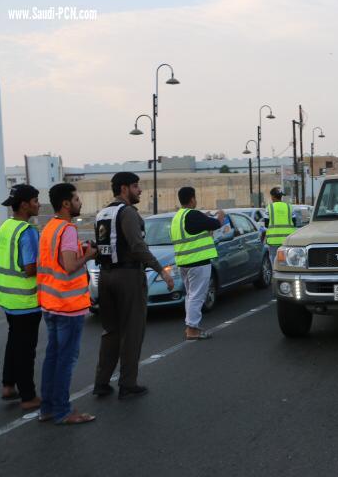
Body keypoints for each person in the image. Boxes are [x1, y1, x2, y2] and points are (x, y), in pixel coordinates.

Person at [93, 172, 174, 400]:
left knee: (110, 331)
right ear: (124, 188)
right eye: (136, 186)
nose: (139, 190)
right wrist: (161, 271)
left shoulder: (102, 213)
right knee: (132, 332)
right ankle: (128, 384)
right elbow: (138, 247)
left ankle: (101, 382)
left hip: (106, 276)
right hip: (128, 277)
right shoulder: (127, 213)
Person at [37, 183, 96, 424]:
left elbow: (57, 262)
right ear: (65, 204)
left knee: (52, 357)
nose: (80, 203)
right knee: (65, 360)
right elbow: (70, 265)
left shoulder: (49, 228)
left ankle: (48, 409)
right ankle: (63, 411)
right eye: (77, 199)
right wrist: (89, 255)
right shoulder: (68, 230)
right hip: (68, 307)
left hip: (50, 304)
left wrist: (77, 252)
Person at [0, 184, 42, 411]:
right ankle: (28, 396)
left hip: (7, 298)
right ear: (24, 205)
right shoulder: (27, 231)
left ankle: (8, 385)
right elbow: (29, 268)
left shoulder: (6, 226)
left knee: (14, 342)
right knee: (26, 350)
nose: (38, 204)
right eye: (35, 200)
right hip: (26, 300)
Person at [171, 187, 224, 340]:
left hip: (184, 263)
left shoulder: (177, 217)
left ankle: (191, 325)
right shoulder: (193, 215)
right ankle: (192, 329)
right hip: (198, 262)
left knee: (190, 296)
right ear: (192, 199)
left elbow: (195, 229)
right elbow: (215, 224)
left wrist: (204, 218)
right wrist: (220, 215)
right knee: (197, 296)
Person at [265, 187, 296, 264]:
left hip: (273, 241)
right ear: (281, 196)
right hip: (288, 240)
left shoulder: (269, 208)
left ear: (272, 197)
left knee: (274, 262)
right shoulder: (289, 207)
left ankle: (275, 275)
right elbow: (294, 222)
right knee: (288, 262)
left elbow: (266, 224)